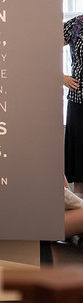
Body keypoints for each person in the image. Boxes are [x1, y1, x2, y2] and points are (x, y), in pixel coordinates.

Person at [64, 15, 83, 192]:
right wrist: (61, 77)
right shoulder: (76, 24)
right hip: (79, 102)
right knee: (80, 164)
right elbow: (42, 47)